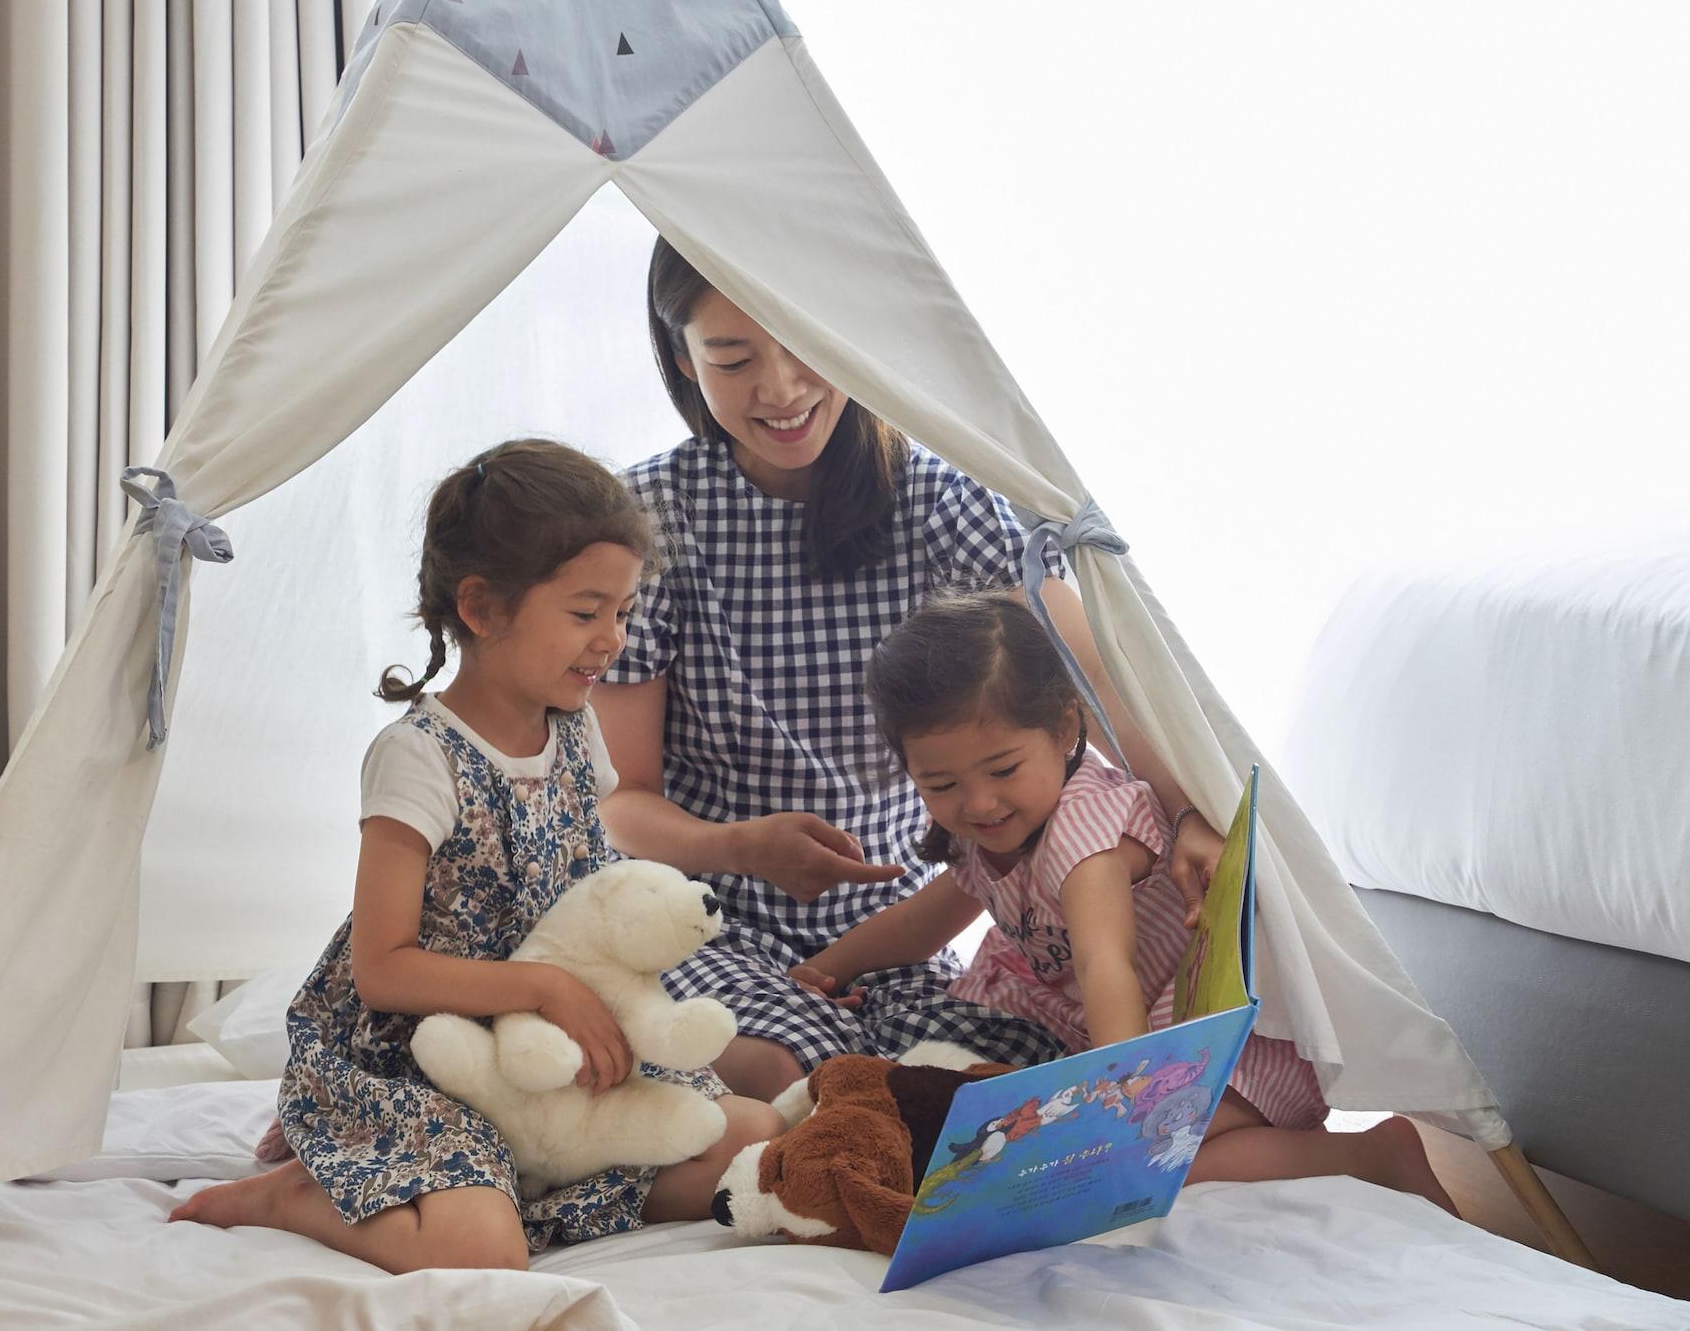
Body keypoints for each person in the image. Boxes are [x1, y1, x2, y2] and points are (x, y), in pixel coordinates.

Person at [593, 238, 1228, 1101]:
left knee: (993, 1085)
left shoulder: (937, 499)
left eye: (805, 345)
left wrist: (1192, 806)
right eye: (734, 359)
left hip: (895, 925)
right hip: (706, 916)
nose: (780, 391)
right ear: (682, 359)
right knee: (790, 1077)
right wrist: (742, 847)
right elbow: (621, 801)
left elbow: (1095, 679)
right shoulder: (652, 517)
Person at [170, 440, 784, 1271]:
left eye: (625, 612)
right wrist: (545, 986)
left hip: (550, 1056)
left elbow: (591, 897)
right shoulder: (419, 756)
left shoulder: (578, 733)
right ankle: (295, 1197)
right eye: (585, 611)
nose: (612, 639)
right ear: (484, 608)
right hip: (430, 1060)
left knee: (751, 1133)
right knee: (482, 1250)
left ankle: (534, 1182)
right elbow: (383, 969)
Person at [789, 590, 1454, 1208]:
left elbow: (1105, 963)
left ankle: (1371, 1155)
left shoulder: (1088, 833)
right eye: (940, 784)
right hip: (1083, 1017)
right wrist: (830, 966)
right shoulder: (985, 829)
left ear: (1065, 727)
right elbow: (922, 921)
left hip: (1184, 1024)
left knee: (1151, 1160)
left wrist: (1121, 1103)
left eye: (1003, 770)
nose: (979, 802)